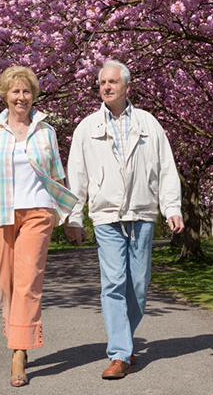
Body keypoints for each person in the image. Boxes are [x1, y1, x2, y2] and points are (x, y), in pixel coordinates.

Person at [65, 60, 184, 380]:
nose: (106, 87)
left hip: (143, 214)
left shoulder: (148, 123)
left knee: (139, 286)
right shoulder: (86, 127)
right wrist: (74, 217)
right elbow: (77, 176)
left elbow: (166, 168)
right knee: (114, 283)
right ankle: (119, 353)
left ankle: (125, 340)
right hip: (106, 216)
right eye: (102, 82)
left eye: (112, 82)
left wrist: (172, 207)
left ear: (127, 86)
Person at [0, 66, 77, 388]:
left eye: (27, 91)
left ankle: (18, 352)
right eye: (15, 91)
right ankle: (18, 335)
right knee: (6, 284)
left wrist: (66, 216)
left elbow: (57, 176)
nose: (21, 97)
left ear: (34, 96)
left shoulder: (46, 131)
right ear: (4, 94)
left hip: (38, 213)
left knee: (27, 283)